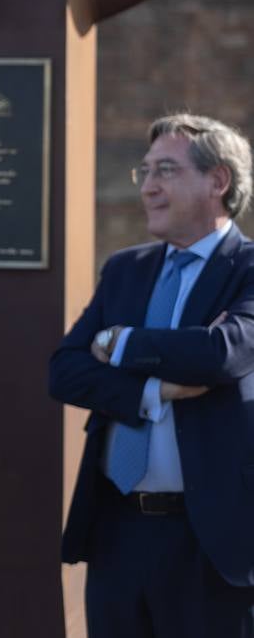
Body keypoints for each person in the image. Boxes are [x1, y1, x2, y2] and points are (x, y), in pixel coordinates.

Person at [49, 112, 254, 636]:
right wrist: (154, 390)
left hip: (208, 537)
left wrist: (120, 342)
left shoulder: (247, 269)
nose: (150, 188)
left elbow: (222, 355)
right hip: (117, 529)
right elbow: (65, 371)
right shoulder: (126, 268)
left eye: (166, 170)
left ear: (218, 181)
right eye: (145, 173)